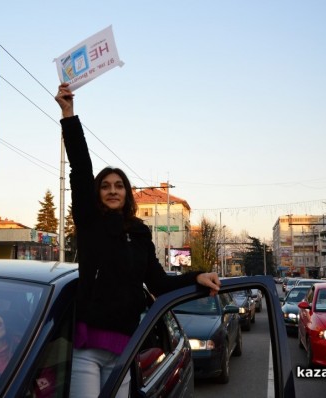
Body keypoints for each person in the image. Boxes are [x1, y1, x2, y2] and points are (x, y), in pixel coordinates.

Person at [55, 82, 221, 398]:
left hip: (125, 349)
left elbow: (159, 284)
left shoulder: (140, 233)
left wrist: (196, 277)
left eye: (119, 185)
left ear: (126, 192)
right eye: (106, 186)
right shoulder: (90, 223)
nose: (113, 190)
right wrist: (68, 114)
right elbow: (80, 166)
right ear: (98, 193)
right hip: (87, 349)